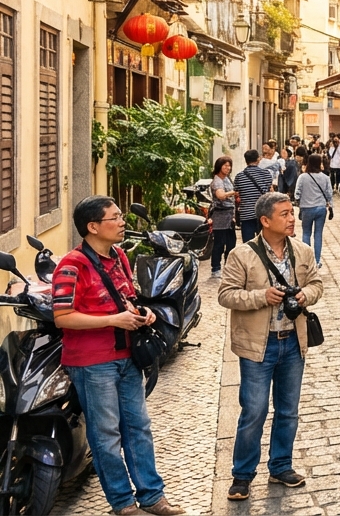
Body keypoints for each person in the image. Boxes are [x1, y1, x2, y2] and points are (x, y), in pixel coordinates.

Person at [53, 196, 185, 516]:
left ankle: (153, 497)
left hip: (127, 356)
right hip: (92, 363)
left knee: (138, 428)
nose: (122, 222)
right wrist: (112, 321)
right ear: (93, 227)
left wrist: (142, 314)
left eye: (121, 216)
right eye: (115, 218)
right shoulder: (72, 265)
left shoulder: (120, 257)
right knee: (106, 435)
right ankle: (122, 504)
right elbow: (63, 316)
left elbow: (126, 299)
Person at [218, 192, 323, 501]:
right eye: (285, 214)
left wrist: (305, 295)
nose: (292, 218)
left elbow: (317, 284)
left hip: (293, 341)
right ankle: (242, 475)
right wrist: (260, 296)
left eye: (292, 212)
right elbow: (226, 295)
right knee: (254, 410)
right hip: (257, 346)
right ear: (265, 221)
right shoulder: (242, 255)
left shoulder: (302, 251)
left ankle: (280, 466)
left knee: (288, 410)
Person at [293, 154, 333, 267]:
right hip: (321, 208)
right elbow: (329, 194)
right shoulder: (325, 177)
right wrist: (331, 207)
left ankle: (307, 260)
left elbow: (297, 193)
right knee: (318, 234)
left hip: (307, 208)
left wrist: (299, 201)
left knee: (306, 233)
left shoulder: (303, 177)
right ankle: (317, 260)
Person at [234, 150, 276, 242]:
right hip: (263, 213)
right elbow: (269, 191)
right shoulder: (266, 174)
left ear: (246, 161)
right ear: (258, 159)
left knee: (248, 244)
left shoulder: (239, 176)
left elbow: (237, 194)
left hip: (246, 214)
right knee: (264, 242)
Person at [210, 156, 237, 276]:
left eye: (229, 165)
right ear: (219, 166)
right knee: (219, 243)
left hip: (229, 215)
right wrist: (234, 192)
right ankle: (216, 268)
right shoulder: (217, 181)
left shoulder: (227, 179)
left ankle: (228, 266)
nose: (228, 168)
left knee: (231, 242)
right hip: (220, 216)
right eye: (225, 165)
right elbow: (220, 195)